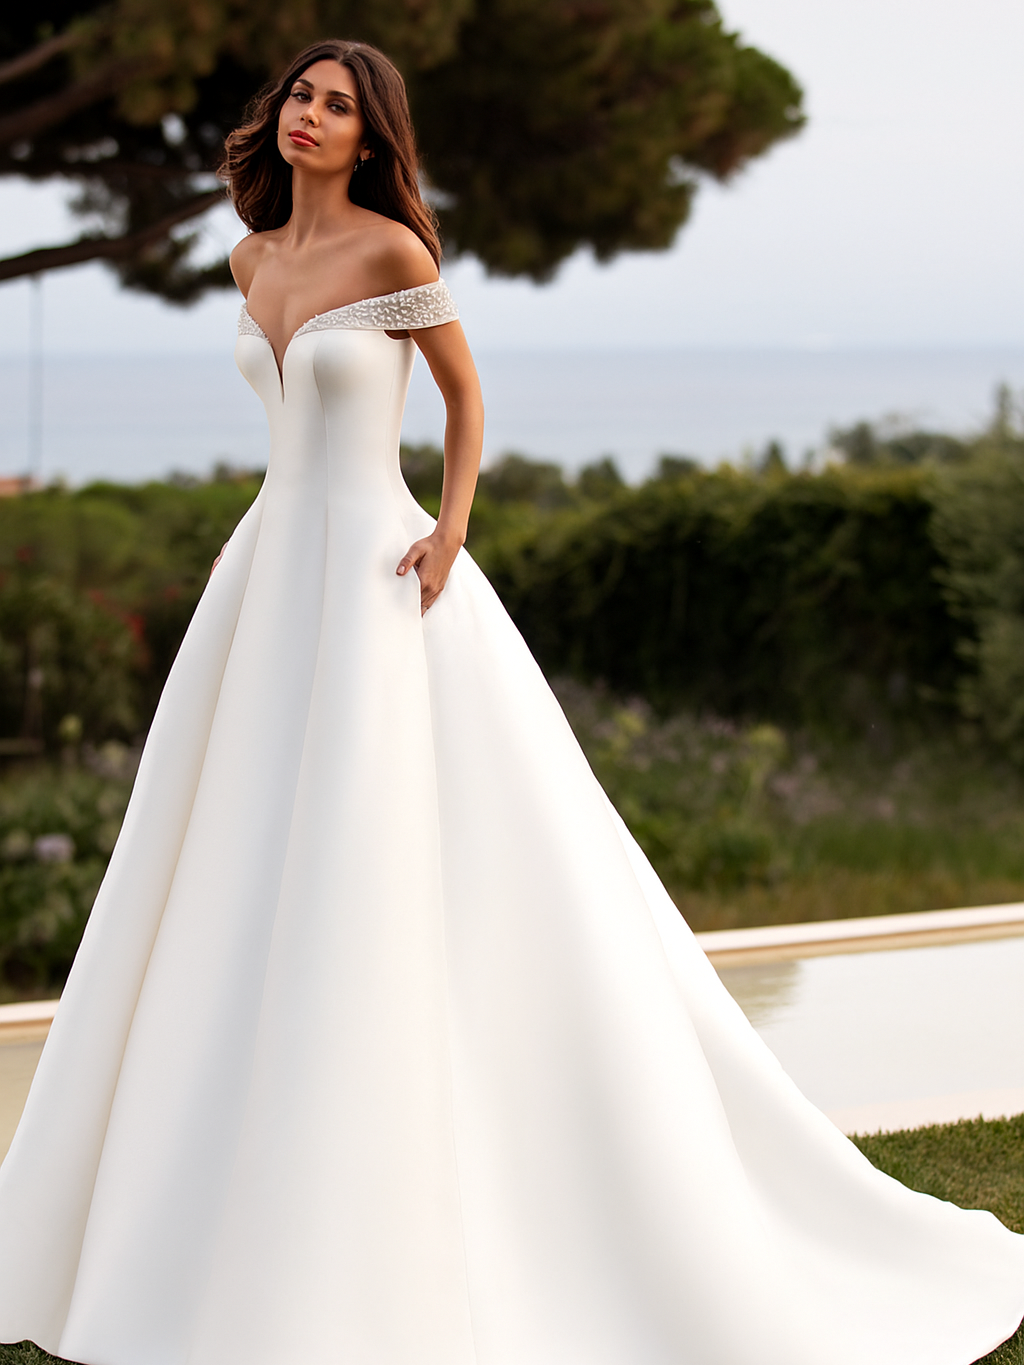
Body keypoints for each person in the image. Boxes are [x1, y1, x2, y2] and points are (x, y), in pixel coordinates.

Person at [0, 37, 1021, 1365]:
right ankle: (197, 1211)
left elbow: (471, 402)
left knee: (388, 859)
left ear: (375, 140)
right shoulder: (250, 261)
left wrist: (452, 534)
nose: (311, 117)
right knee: (230, 862)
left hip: (379, 572)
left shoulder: (392, 256)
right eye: (303, 97)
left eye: (340, 107)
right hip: (266, 580)